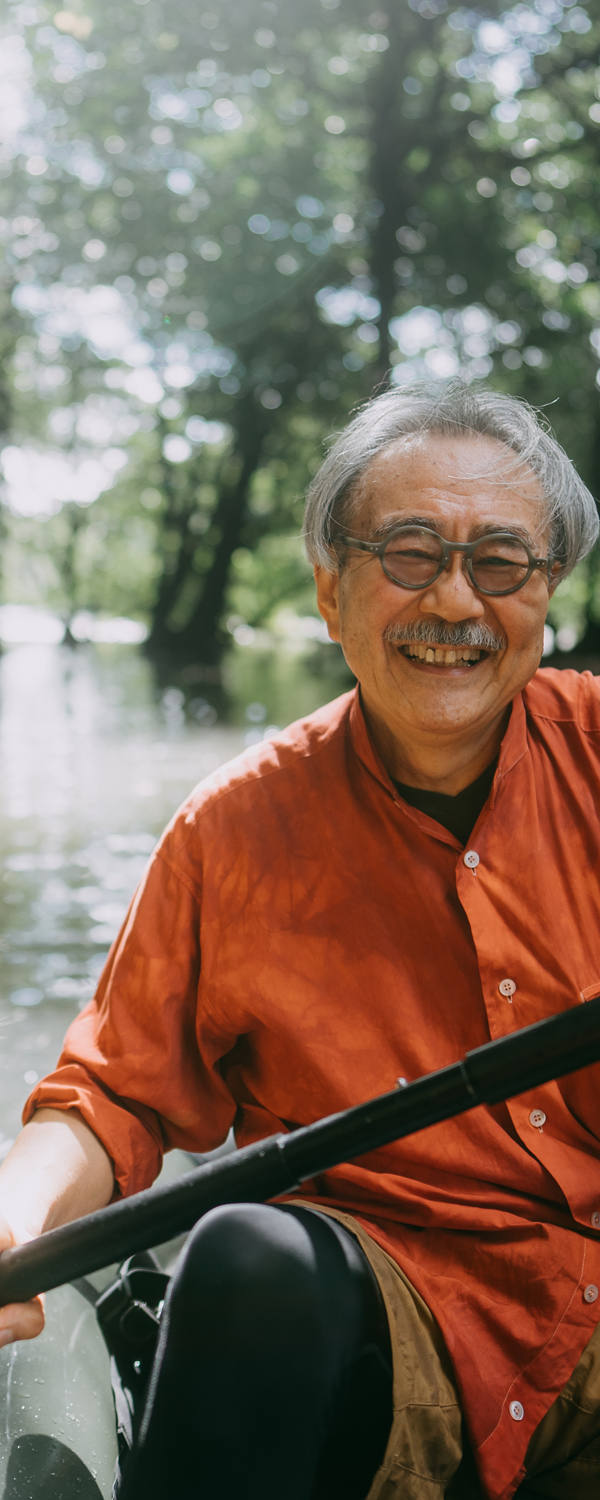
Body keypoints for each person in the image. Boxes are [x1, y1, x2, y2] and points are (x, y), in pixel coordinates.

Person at [0, 379, 600, 1500]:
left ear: (549, 592)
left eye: (502, 562)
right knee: (246, 1253)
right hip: (397, 1300)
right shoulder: (234, 827)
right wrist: (13, 1219)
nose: (456, 600)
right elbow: (113, 1093)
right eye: (410, 553)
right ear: (331, 590)